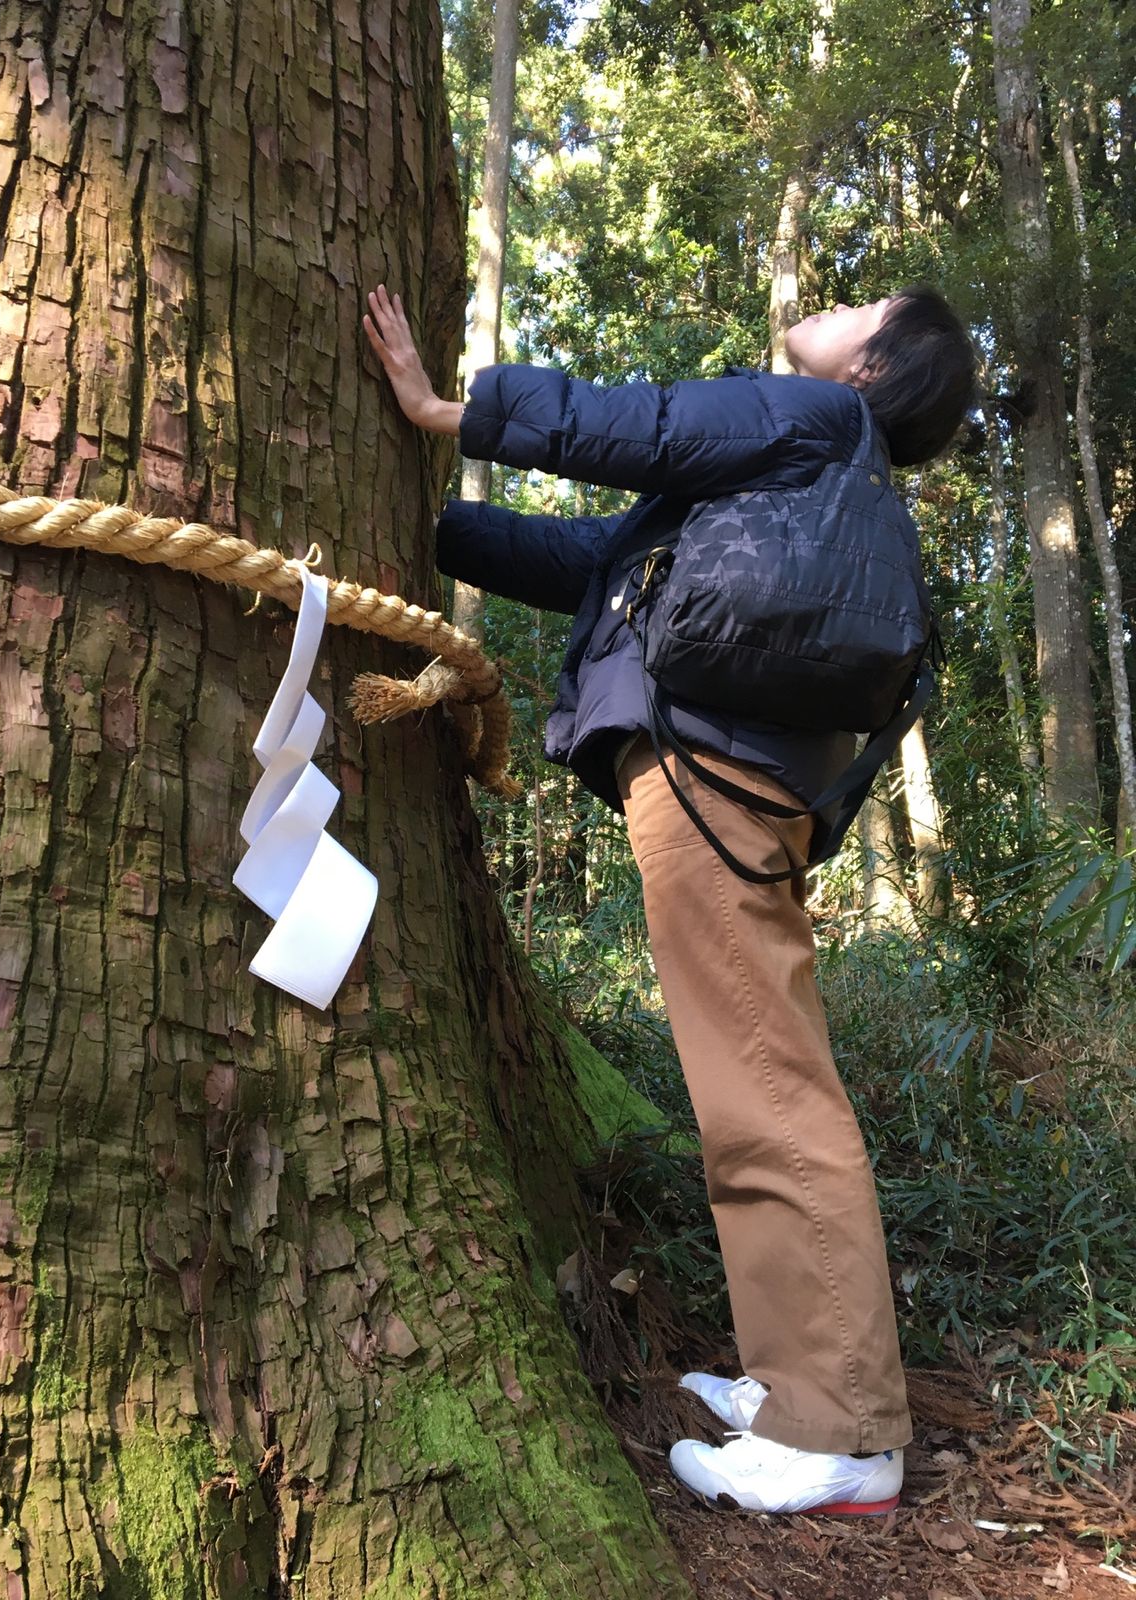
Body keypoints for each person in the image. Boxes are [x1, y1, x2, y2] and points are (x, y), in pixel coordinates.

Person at [364, 284, 976, 1516]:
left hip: (708, 780)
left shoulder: (807, 420)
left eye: (864, 305)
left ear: (873, 368)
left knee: (763, 1086)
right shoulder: (812, 478)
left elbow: (639, 421)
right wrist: (432, 530)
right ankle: (794, 1376)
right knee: (752, 1075)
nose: (837, 301)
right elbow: (598, 560)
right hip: (739, 782)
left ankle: (840, 1430)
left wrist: (455, 409)